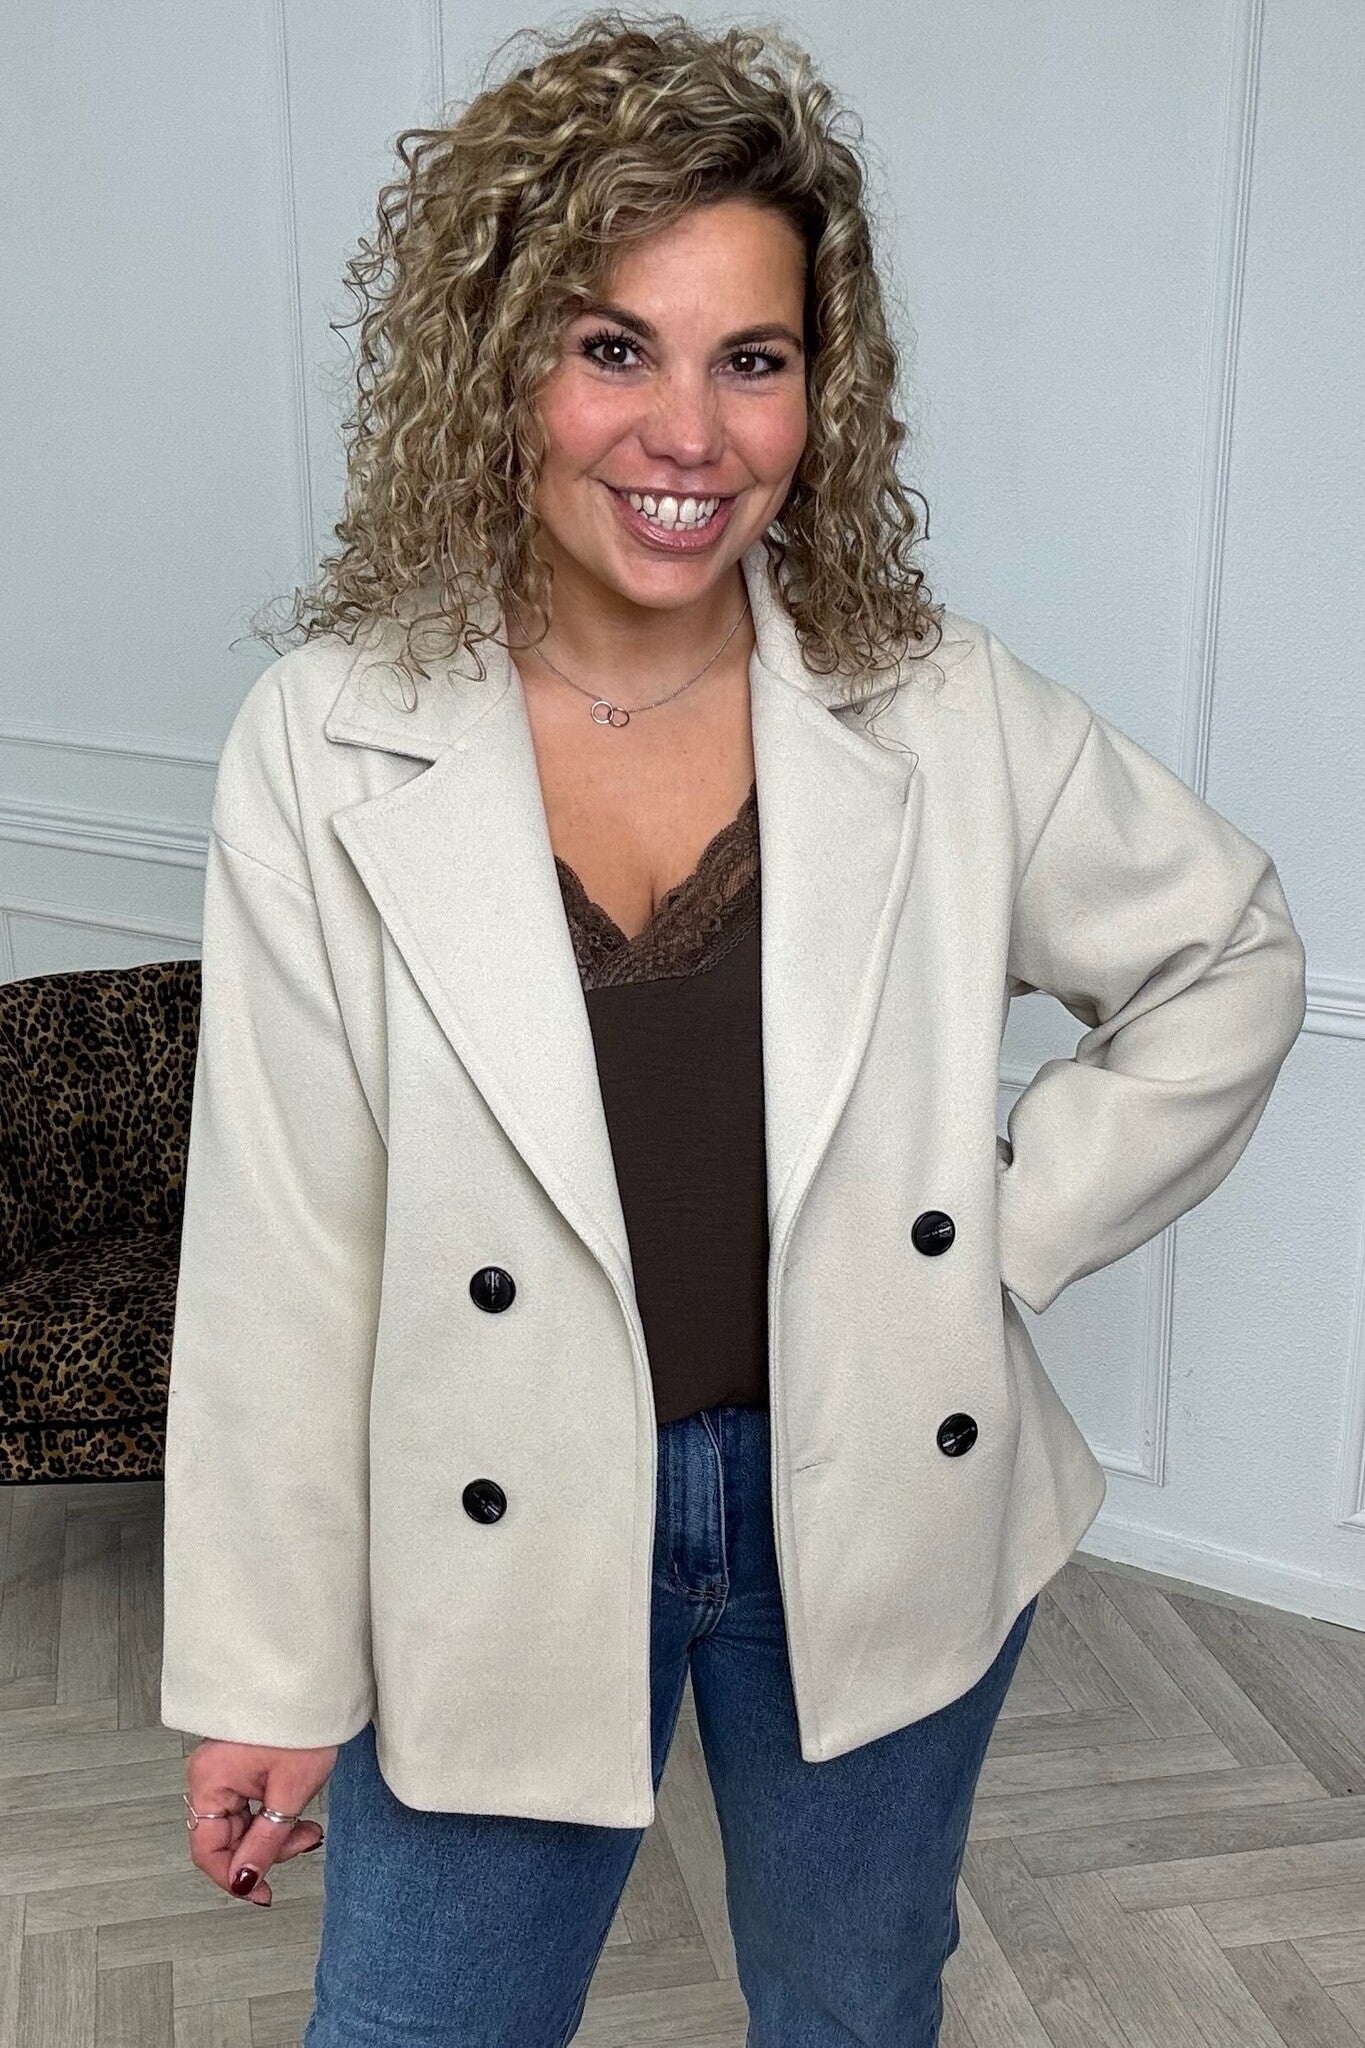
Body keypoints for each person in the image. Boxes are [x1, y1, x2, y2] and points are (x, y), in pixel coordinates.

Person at [159, 12, 1307, 2046]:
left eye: (750, 359)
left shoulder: (936, 703)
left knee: (853, 2006)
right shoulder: (324, 739)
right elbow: (285, 1245)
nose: (687, 433)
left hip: (873, 1485)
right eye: (614, 346)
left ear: (816, 391)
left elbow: (1222, 952)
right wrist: (263, 1672)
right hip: (495, 1510)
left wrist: (992, 1233)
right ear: (495, 363)